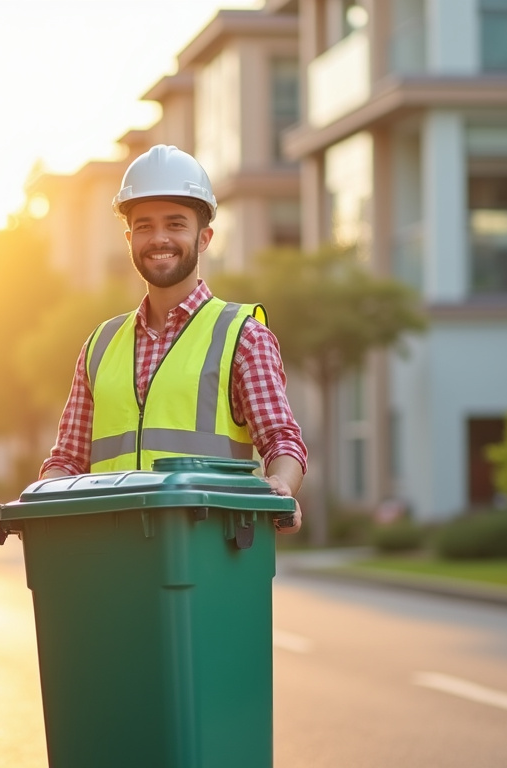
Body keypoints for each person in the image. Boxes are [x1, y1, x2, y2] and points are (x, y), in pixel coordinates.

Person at [38, 144, 307, 533]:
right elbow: (68, 458)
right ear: (129, 238)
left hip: (204, 550)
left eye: (175, 224)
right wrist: (42, 492)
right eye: (144, 226)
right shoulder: (100, 345)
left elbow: (282, 441)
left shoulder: (242, 336)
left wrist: (280, 484)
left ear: (204, 238)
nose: (158, 238)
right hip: (107, 551)